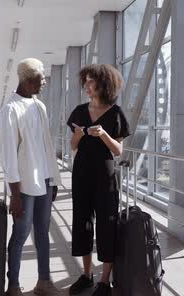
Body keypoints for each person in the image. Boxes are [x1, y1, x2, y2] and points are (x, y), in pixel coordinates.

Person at [0, 58, 63, 296]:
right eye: (40, 78)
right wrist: (14, 194)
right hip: (23, 185)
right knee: (21, 233)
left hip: (44, 180)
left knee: (43, 233)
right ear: (26, 80)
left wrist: (53, 179)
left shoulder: (39, 106)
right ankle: (13, 285)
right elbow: (8, 155)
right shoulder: (9, 110)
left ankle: (43, 282)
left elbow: (47, 147)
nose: (43, 82)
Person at [66, 64, 130, 296]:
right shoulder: (79, 111)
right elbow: (72, 146)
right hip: (81, 173)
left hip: (105, 176)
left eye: (91, 81)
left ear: (104, 84)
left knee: (106, 224)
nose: (86, 85)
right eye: (86, 81)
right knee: (82, 222)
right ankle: (86, 275)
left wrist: (103, 134)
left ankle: (104, 280)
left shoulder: (116, 113)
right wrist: (77, 135)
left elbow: (119, 150)